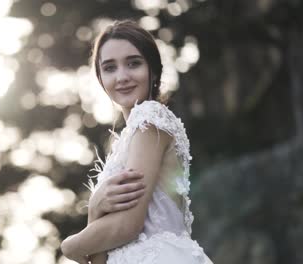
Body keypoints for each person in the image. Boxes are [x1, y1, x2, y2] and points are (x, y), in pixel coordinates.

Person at [60, 20, 213, 264]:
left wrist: (69, 245)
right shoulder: (130, 136)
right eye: (110, 68)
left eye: (133, 63)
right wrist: (94, 209)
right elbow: (100, 257)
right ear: (100, 78)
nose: (122, 76)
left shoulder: (150, 118)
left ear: (153, 70)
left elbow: (128, 224)